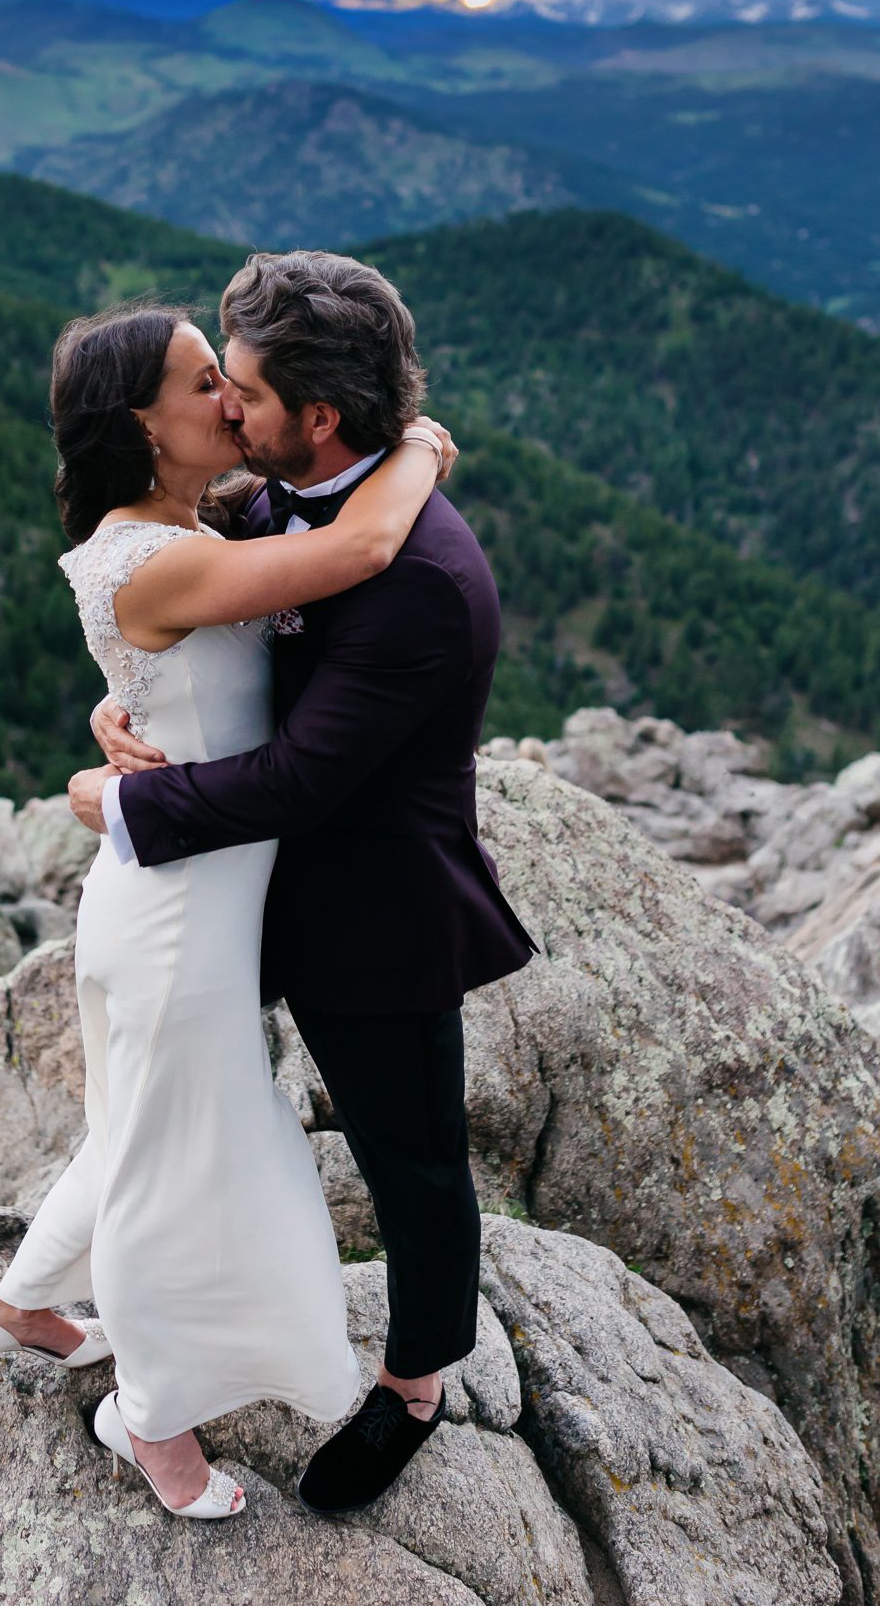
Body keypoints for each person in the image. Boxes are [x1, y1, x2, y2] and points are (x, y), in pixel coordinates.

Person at [0, 295, 456, 1522]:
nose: (230, 402)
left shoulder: (184, 524)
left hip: (177, 894)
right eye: (203, 385)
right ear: (140, 425)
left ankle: (21, 1309)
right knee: (186, 1161)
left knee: (143, 1128)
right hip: (178, 913)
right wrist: (425, 448)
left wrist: (114, 724)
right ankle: (156, 1417)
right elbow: (350, 553)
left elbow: (191, 660)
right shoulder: (165, 554)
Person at [70, 249, 540, 1520]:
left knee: (413, 1162)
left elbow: (299, 780)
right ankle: (81, 1302)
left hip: (368, 916)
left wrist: (116, 798)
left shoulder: (424, 581)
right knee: (192, 1115)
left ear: (318, 418)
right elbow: (189, 625)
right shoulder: (277, 497)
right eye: (215, 383)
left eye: (246, 391)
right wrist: (126, 709)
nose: (226, 407)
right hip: (236, 900)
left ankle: (416, 1381)